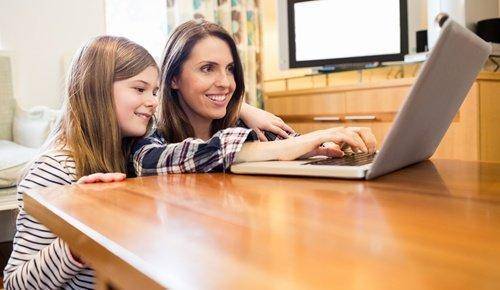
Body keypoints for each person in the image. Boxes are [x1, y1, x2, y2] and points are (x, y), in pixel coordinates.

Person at [2, 36, 159, 290]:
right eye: (140, 89)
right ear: (97, 91)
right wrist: (79, 240)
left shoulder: (133, 155)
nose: (153, 101)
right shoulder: (55, 170)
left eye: (155, 91)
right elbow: (16, 285)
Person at [130, 19, 376, 177]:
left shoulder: (244, 124)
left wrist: (325, 147)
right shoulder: (152, 130)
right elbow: (147, 162)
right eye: (207, 68)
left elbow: (291, 145)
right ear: (173, 79)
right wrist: (276, 148)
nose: (226, 83)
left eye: (230, 69)